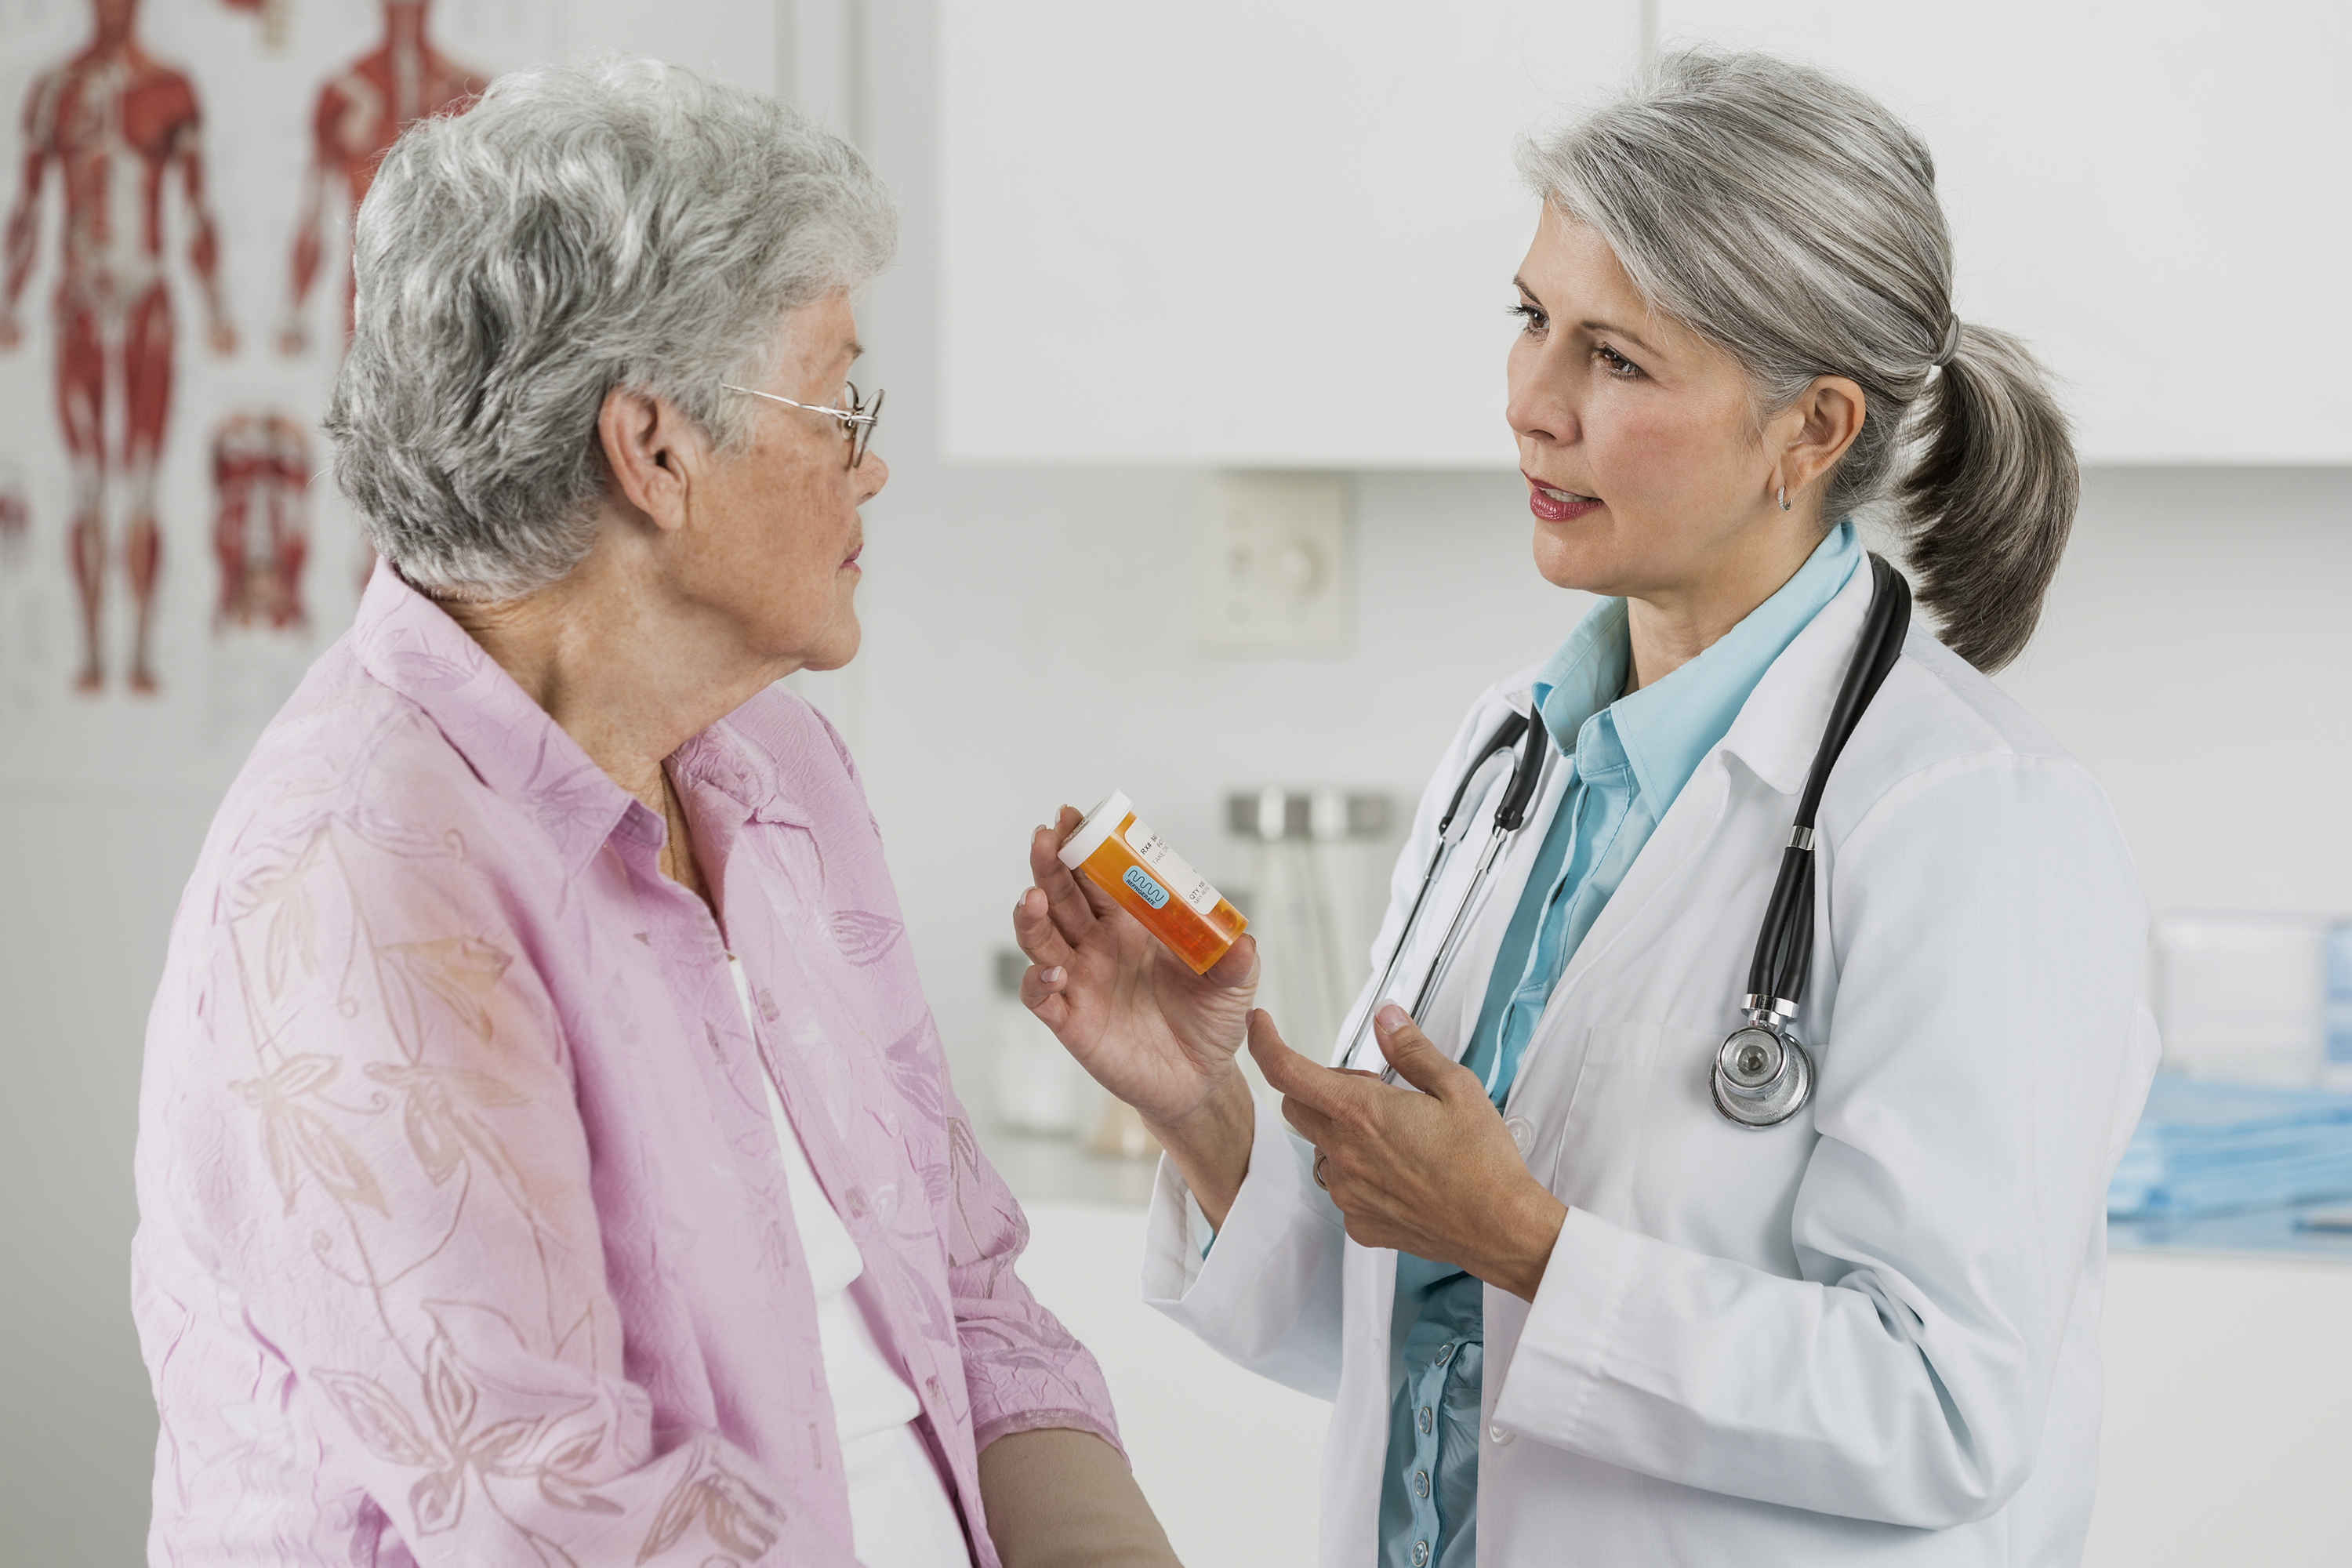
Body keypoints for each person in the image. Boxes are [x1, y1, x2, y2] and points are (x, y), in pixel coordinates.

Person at [1014, 49, 2158, 1566]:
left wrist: (1533, 1247)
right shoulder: (1515, 753)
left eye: (1615, 360)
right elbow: (1428, 1342)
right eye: (1532, 321)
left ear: (1809, 432)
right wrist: (1200, 1110)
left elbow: (1946, 1409)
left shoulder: (1976, 823)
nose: (1529, 406)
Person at [133, 58, 1176, 1568]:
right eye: (837, 401)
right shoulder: (357, 882)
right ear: (657, 449)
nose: (871, 461)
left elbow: (967, 1303)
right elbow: (565, 1523)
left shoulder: (776, 769)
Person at [0, 0, 236, 694]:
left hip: (146, 297)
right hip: (77, 298)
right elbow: (29, 204)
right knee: (85, 482)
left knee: (139, 481)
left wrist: (218, 305)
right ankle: (92, 655)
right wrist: (8, 300)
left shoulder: (170, 88)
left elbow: (196, 204)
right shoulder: (55, 88)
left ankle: (134, 655)